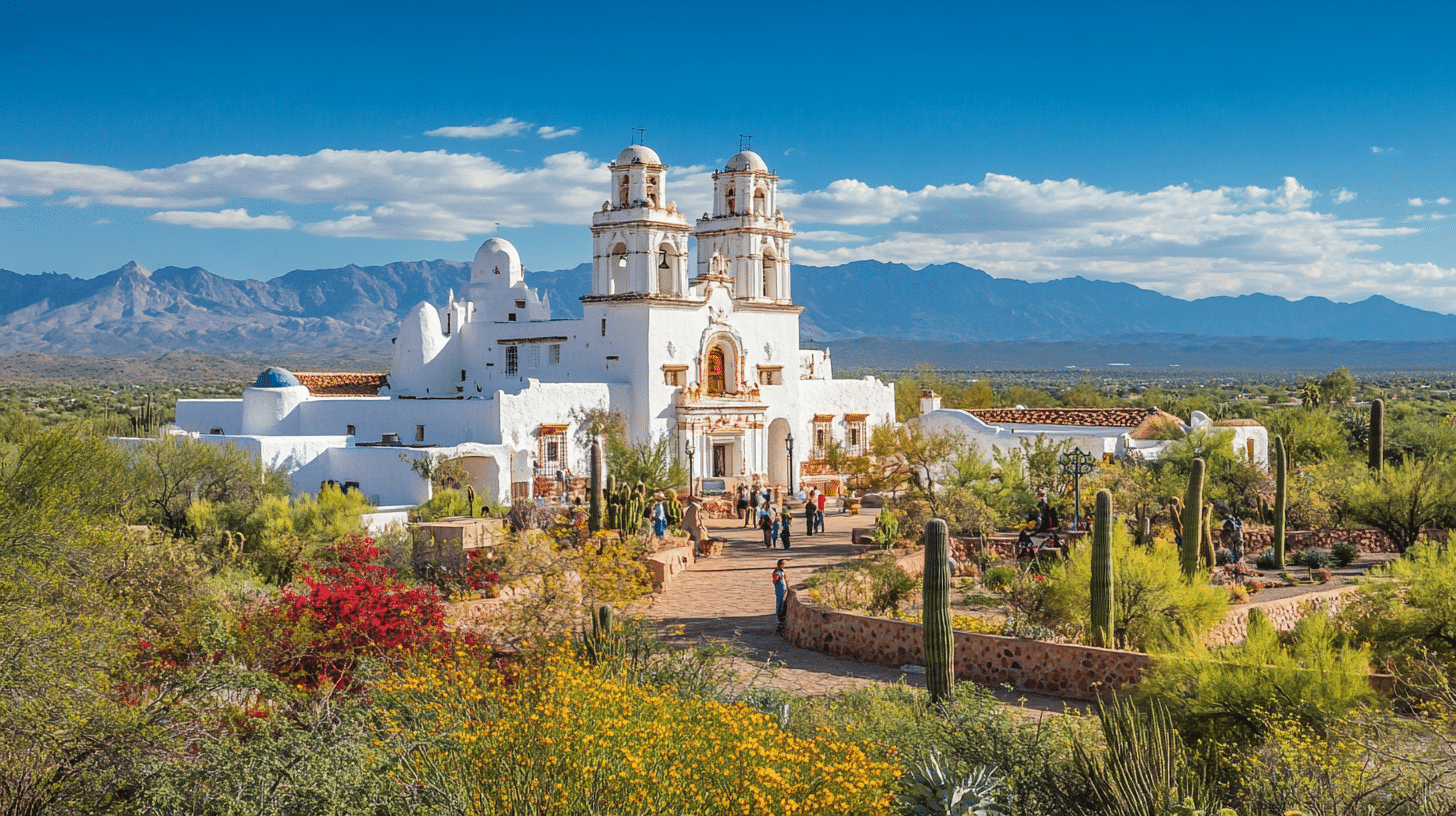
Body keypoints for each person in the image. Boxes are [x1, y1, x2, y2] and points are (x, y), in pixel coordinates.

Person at [771, 559, 788, 632]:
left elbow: (785, 579)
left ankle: (781, 616)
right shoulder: (777, 572)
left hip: (783, 588)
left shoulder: (782, 571)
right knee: (779, 602)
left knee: (782, 602)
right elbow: (775, 580)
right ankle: (779, 616)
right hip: (779, 588)